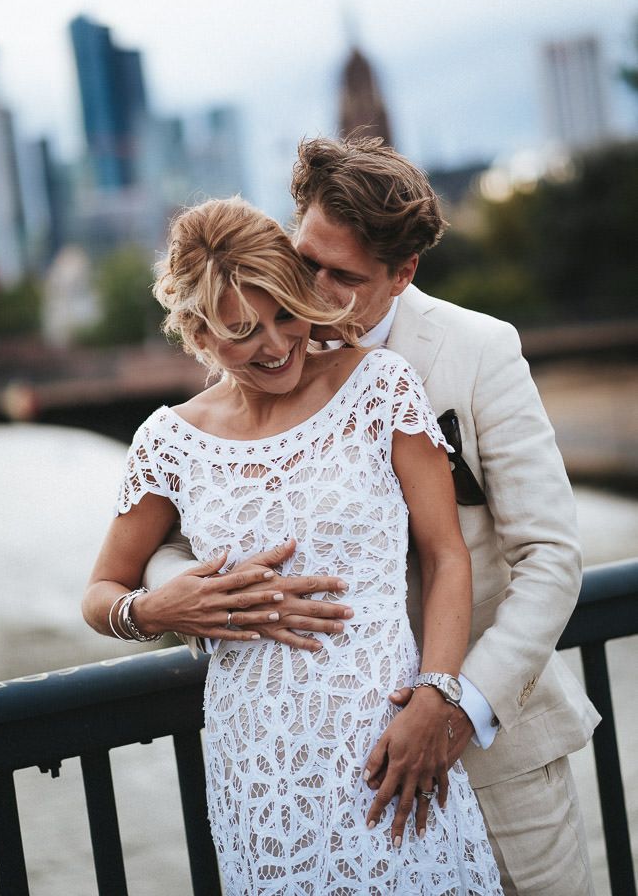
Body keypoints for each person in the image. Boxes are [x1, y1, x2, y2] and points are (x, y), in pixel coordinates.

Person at [145, 137, 600, 896]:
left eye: (344, 277)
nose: (313, 289)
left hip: (494, 754)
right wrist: (194, 594)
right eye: (305, 258)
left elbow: (551, 557)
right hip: (335, 776)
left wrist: (454, 705)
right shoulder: (269, 358)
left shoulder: (478, 352)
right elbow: (173, 534)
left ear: (403, 274)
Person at [83, 198, 503, 895]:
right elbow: (101, 592)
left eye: (285, 313)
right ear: (196, 331)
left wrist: (436, 696)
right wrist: (159, 609)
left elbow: (444, 553)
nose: (276, 344)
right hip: (257, 763)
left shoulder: (378, 387)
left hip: (386, 737)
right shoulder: (168, 441)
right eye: (241, 330)